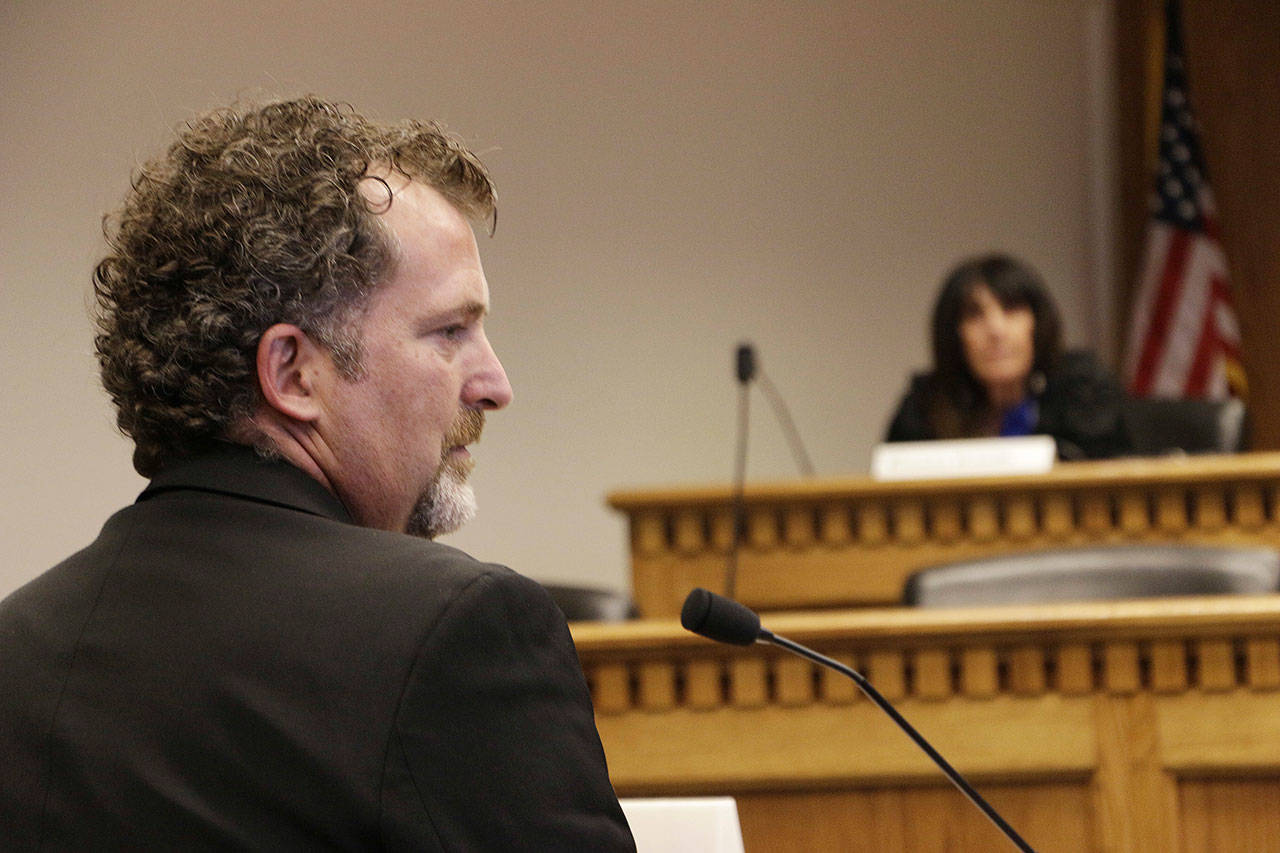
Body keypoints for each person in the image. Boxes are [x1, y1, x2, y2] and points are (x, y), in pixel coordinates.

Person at [0, 97, 634, 850]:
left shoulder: (17, 648)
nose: (495, 381)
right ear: (294, 374)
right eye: (450, 331)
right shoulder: (455, 630)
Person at [885, 253, 1130, 460]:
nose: (996, 330)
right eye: (974, 315)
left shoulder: (1083, 393)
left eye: (1011, 309)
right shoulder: (925, 407)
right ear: (954, 334)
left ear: (1037, 323)